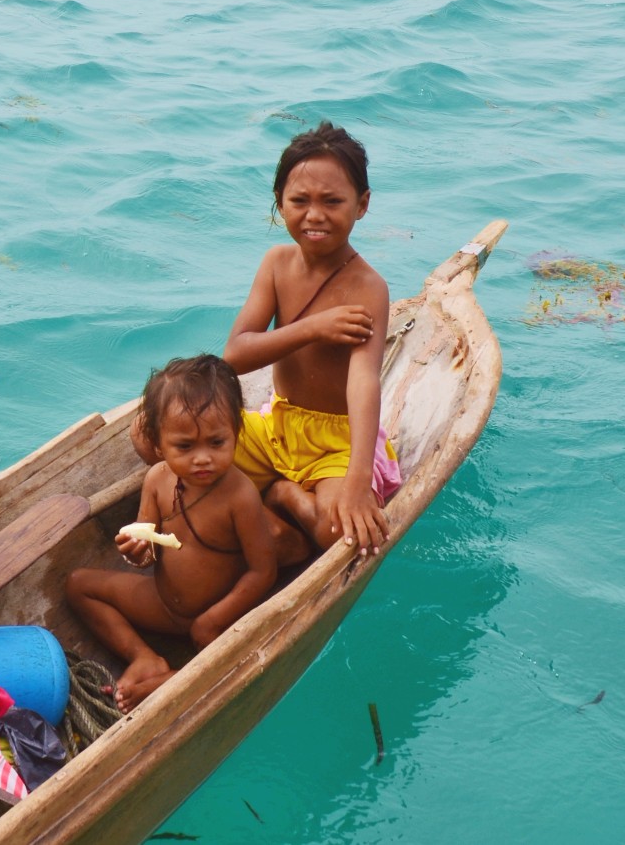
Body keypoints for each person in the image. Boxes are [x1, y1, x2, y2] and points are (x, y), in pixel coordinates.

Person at [224, 122, 395, 560]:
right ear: (280, 205)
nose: (314, 215)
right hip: (278, 426)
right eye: (299, 201)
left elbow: (363, 382)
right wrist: (312, 328)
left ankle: (282, 495)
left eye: (332, 201)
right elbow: (236, 355)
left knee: (343, 535)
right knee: (152, 438)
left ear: (362, 205)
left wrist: (358, 483)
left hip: (338, 442)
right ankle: (268, 494)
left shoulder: (368, 288)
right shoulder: (276, 263)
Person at [67, 356, 278, 711]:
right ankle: (144, 657)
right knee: (77, 584)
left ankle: (177, 677)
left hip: (219, 615)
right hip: (164, 603)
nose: (202, 459)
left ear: (236, 434)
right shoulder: (156, 480)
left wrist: (215, 619)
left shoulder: (239, 494)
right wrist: (136, 550)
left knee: (225, 652)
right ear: (158, 443)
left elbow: (263, 571)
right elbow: (147, 552)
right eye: (185, 447)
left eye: (216, 442)